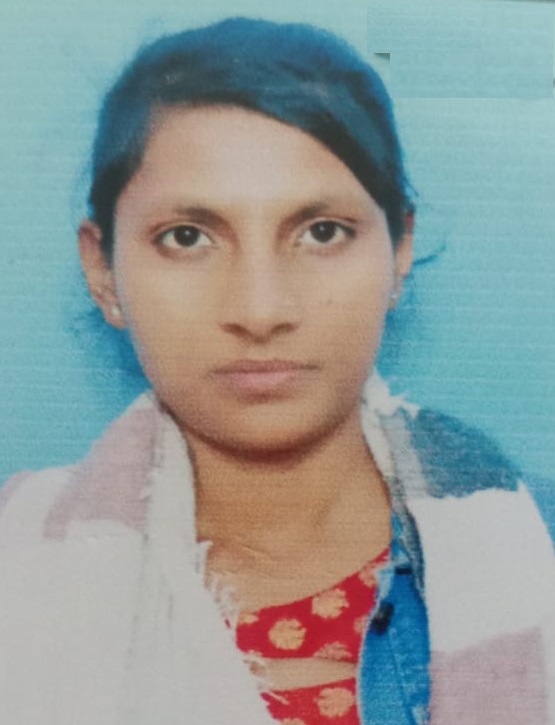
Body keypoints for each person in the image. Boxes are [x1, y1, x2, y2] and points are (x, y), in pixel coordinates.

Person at [0, 16, 554, 725]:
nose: (260, 310)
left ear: (398, 250)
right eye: (187, 237)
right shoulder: (18, 567)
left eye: (322, 232)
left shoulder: (534, 546)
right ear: (102, 269)